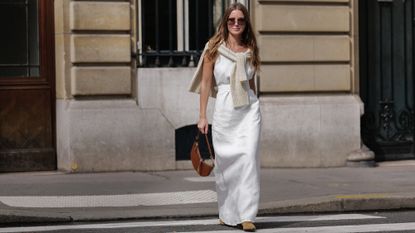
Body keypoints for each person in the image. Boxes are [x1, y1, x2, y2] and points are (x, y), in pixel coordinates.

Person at [188, 2, 261, 232]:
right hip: (225, 109)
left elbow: (250, 82)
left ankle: (247, 215)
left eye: (240, 20)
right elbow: (206, 83)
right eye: (232, 20)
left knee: (249, 158)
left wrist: (256, 103)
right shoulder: (214, 47)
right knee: (226, 164)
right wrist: (202, 116)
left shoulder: (250, 47)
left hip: (248, 109)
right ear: (225, 22)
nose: (236, 24)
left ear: (245, 22)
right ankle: (228, 213)